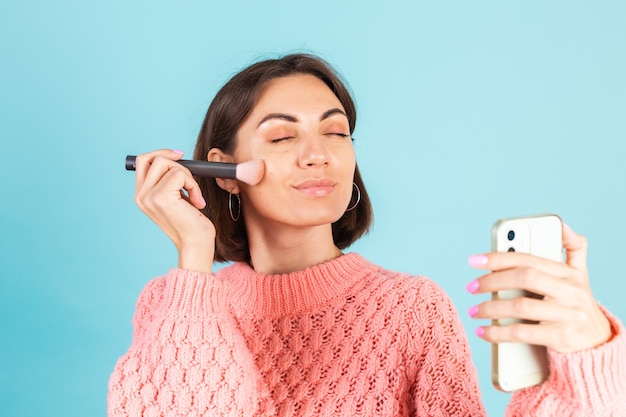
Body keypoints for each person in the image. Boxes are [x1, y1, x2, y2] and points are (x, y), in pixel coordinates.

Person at [108, 53, 626, 416]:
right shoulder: (169, 304)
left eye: (336, 132)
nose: (320, 153)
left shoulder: (411, 308)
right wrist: (194, 258)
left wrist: (589, 363)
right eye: (284, 135)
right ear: (222, 172)